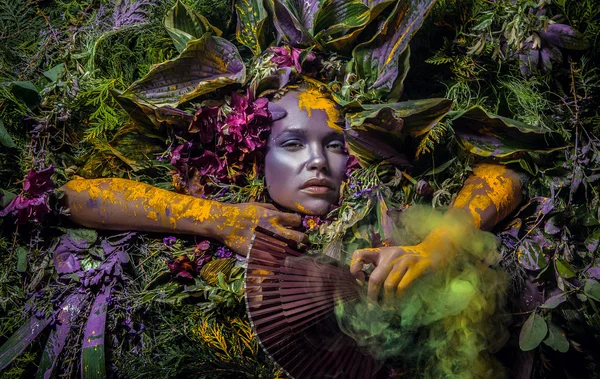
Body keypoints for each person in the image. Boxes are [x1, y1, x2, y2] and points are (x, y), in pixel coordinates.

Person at [60, 85, 524, 304]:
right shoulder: (235, 214)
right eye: (293, 143)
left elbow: (506, 175)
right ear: (255, 159)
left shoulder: (386, 198)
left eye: (336, 145)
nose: (318, 161)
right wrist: (215, 218)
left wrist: (437, 244)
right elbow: (75, 197)